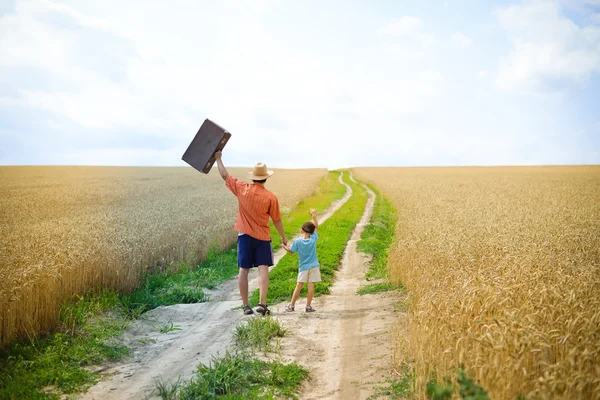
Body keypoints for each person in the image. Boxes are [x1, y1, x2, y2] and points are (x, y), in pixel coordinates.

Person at [214, 151, 287, 316]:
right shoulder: (270, 197)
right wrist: (283, 237)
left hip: (245, 236)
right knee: (263, 270)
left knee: (243, 270)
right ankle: (262, 304)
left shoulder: (242, 188)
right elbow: (276, 220)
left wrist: (218, 158)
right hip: (262, 237)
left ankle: (246, 306)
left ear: (253, 177)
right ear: (266, 178)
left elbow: (224, 175)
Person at [282, 209, 321, 313]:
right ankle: (308, 306)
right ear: (312, 232)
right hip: (314, 266)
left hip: (303, 267)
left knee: (299, 285)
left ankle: (291, 306)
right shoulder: (313, 238)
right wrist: (314, 216)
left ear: (301, 230)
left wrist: (284, 246)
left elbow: (291, 251)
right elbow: (316, 227)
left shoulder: (298, 241)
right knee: (311, 285)